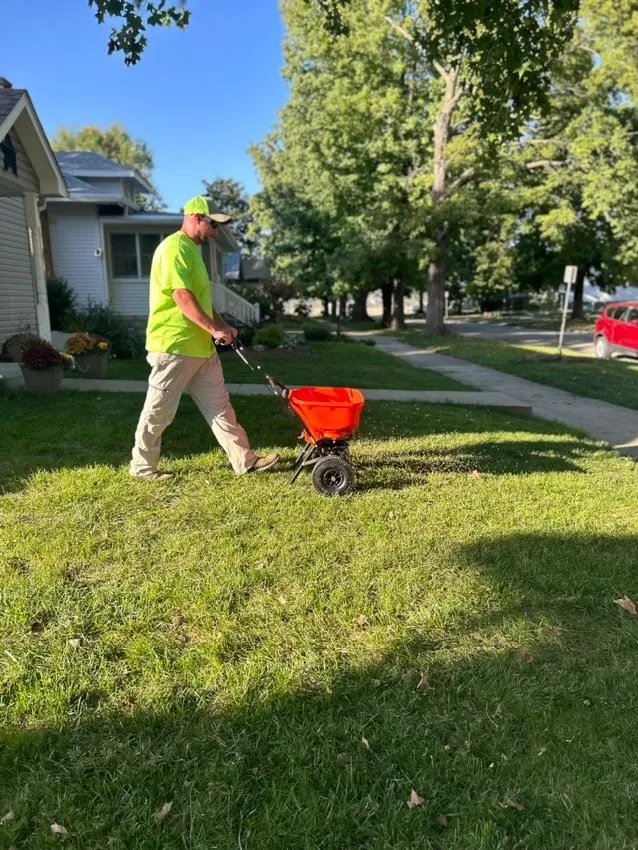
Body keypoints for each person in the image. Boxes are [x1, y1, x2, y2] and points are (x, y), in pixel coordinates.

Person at [129, 195, 279, 481]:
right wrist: (213, 330)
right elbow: (182, 297)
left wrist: (223, 326)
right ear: (196, 217)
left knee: (221, 407)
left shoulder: (192, 252)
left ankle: (244, 460)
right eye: (212, 224)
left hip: (200, 349)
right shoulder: (174, 249)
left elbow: (202, 301)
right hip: (173, 346)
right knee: (159, 412)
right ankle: (142, 468)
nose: (215, 232)